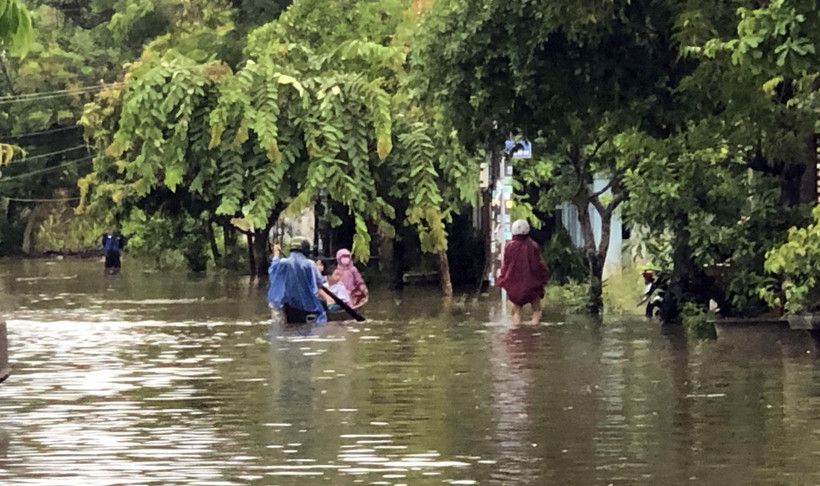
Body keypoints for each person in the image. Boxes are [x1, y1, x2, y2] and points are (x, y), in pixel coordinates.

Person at [496, 219, 551, 325]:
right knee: (537, 309)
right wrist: (544, 277)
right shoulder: (533, 245)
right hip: (532, 285)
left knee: (517, 310)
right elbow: (539, 264)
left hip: (515, 287)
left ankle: (517, 329)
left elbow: (505, 266)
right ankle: (534, 327)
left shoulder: (509, 247)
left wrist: (502, 279)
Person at [267, 237, 327, 323]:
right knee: (323, 305)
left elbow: (273, 271)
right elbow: (319, 282)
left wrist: (276, 255)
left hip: (287, 304)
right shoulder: (310, 264)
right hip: (308, 304)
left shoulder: (282, 263)